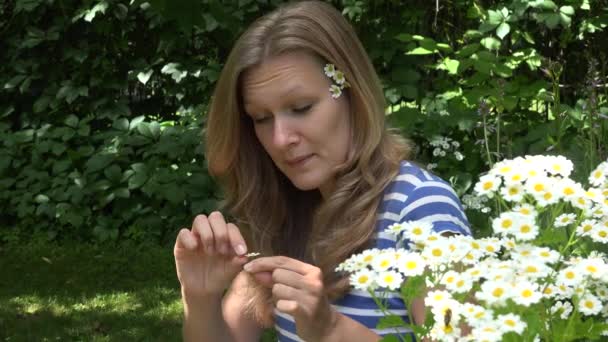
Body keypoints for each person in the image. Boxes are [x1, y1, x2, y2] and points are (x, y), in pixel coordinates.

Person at [173, 1, 471, 341]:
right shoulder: (286, 213)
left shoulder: (421, 207)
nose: (280, 139)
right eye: (261, 118)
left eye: (301, 108)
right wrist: (200, 297)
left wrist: (331, 330)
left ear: (352, 94)